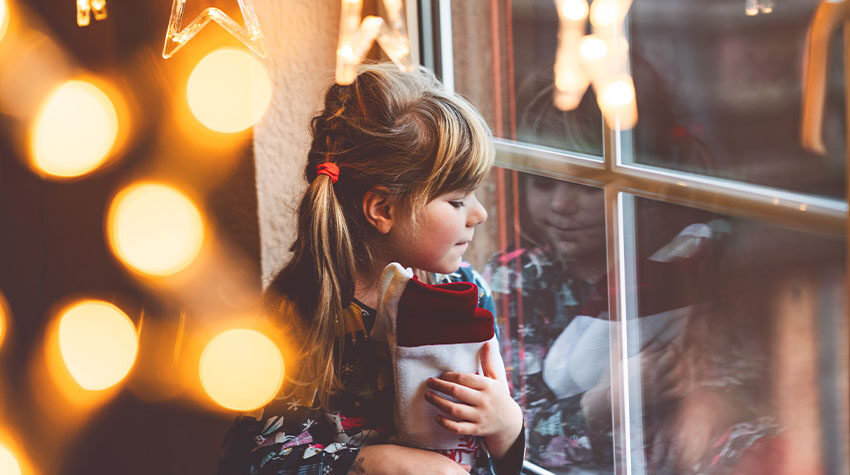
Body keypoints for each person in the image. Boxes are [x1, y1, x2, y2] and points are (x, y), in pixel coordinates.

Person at [218, 63, 525, 475]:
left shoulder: (466, 293)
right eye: (457, 201)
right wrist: (380, 463)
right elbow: (254, 460)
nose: (480, 214)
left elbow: (493, 453)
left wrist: (507, 427)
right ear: (383, 209)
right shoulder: (302, 310)